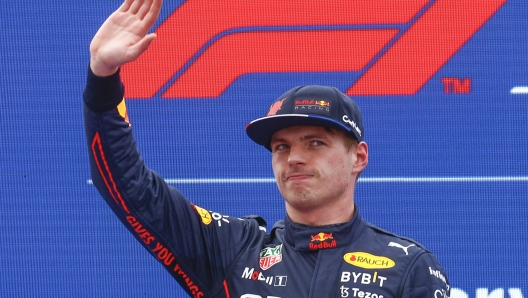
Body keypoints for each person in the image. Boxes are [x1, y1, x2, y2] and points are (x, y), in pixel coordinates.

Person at [84, 0, 450, 297]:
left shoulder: (408, 267)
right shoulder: (232, 250)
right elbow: (129, 189)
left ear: (359, 157)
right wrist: (103, 79)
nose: (294, 158)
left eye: (316, 143)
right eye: (280, 147)